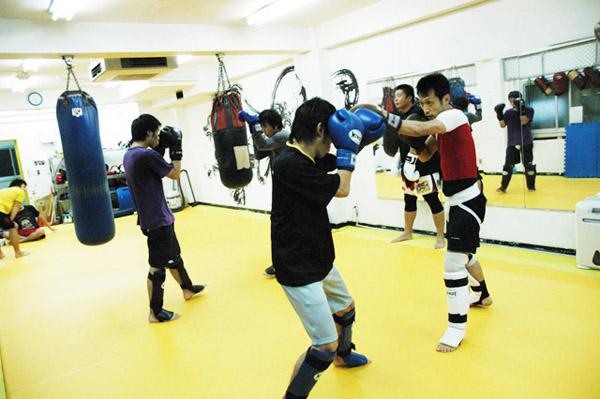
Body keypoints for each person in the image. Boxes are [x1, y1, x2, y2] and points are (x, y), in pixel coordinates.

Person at [359, 73, 493, 353]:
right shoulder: (440, 128)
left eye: (430, 102)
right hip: (457, 200)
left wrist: (386, 116)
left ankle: (456, 328)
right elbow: (425, 154)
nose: (427, 108)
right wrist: (410, 141)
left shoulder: (456, 116)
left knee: (453, 263)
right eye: (423, 103)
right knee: (466, 256)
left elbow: (423, 128)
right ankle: (482, 293)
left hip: (468, 200)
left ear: (446, 98)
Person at [273, 98, 383, 398]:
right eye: (332, 138)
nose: (333, 145)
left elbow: (336, 162)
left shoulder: (309, 157)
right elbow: (343, 188)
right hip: (298, 267)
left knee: (345, 311)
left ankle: (344, 357)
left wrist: (363, 132)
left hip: (318, 256)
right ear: (321, 129)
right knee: (322, 346)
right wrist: (348, 149)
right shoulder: (288, 164)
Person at [123, 114, 205, 323]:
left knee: (174, 256)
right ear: (149, 133)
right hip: (156, 219)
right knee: (157, 266)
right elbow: (175, 174)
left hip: (155, 216)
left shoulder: (132, 154)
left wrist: (160, 148)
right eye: (157, 133)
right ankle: (155, 312)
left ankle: (187, 289)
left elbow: (153, 168)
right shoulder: (145, 156)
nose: (158, 137)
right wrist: (176, 148)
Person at [385, 85, 445, 249]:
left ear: (410, 98)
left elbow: (423, 142)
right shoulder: (398, 117)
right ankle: (407, 232)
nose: (396, 99)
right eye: (395, 96)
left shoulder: (419, 115)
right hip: (408, 166)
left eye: (399, 96)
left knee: (432, 199)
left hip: (425, 166)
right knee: (409, 199)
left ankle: (441, 236)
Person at [239, 108, 290, 278]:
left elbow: (263, 144)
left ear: (275, 125)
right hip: (282, 187)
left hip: (289, 189)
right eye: (262, 126)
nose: (264, 130)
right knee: (281, 226)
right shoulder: (275, 138)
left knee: (282, 227)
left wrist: (254, 126)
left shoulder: (283, 135)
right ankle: (283, 262)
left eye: (265, 126)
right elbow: (260, 154)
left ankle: (282, 264)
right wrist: (253, 128)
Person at [494, 91, 536, 192]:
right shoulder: (508, 112)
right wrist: (499, 114)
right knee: (507, 165)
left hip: (526, 141)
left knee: (528, 165)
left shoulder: (529, 110)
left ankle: (531, 186)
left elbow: (523, 121)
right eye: (511, 101)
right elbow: (502, 125)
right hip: (512, 142)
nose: (513, 103)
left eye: (514, 101)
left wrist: (521, 109)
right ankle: (503, 187)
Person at [0, 179, 30, 258]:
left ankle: (0, 254)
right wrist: (11, 221)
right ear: (22, 185)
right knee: (13, 227)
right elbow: (16, 207)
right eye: (25, 187)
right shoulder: (20, 191)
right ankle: (18, 253)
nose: (25, 189)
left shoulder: (5, 190)